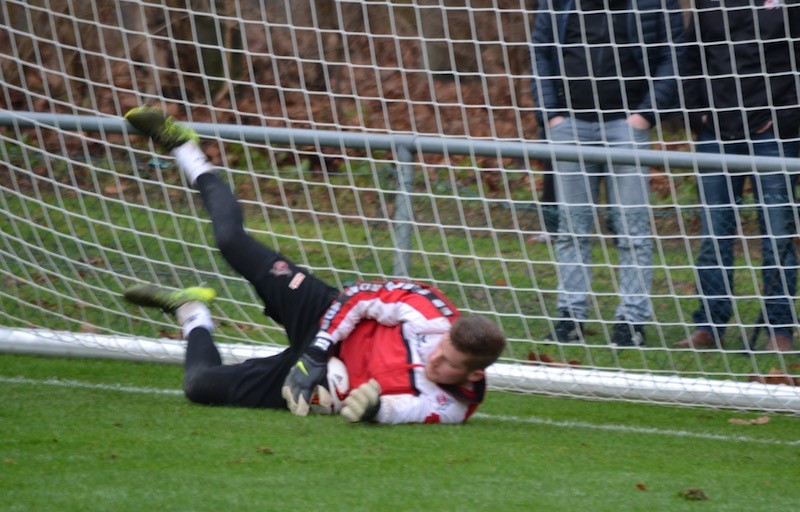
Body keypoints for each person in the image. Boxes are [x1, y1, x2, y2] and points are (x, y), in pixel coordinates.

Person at [122, 106, 507, 424]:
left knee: (200, 387)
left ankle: (193, 312)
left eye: (448, 362)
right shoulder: (430, 312)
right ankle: (186, 148)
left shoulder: (453, 405)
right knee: (231, 241)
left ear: (474, 374)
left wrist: (370, 407)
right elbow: (358, 298)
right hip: (325, 315)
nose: (435, 358)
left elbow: (405, 410)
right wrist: (318, 350)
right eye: (441, 347)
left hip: (321, 378)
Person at [530, 0, 684, 346]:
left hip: (626, 126)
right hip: (569, 125)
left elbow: (673, 57)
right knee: (571, 228)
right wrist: (550, 114)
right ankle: (570, 316)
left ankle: (631, 321)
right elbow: (540, 51)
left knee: (632, 230)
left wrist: (645, 115)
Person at [675, 1, 800, 352]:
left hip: (773, 135)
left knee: (778, 236)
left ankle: (780, 330)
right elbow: (690, 57)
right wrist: (697, 113)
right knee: (715, 234)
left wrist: (787, 119)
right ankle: (709, 326)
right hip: (716, 133)